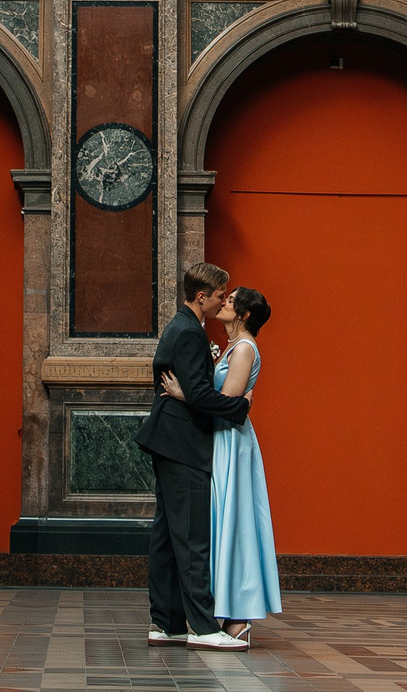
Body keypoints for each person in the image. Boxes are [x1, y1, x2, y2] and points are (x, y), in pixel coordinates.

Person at [138, 262, 255, 652]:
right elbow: (201, 395)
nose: (224, 300)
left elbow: (192, 387)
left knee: (168, 538)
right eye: (221, 295)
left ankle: (166, 623)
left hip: (170, 440)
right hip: (182, 441)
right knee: (190, 538)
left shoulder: (185, 328)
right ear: (202, 297)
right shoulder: (188, 333)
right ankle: (203, 628)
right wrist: (239, 408)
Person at [158, 285, 281, 640]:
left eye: (230, 301)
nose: (223, 302)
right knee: (222, 520)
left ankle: (240, 617)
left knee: (235, 519)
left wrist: (185, 394)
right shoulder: (232, 347)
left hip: (231, 441)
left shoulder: (243, 349)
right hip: (221, 439)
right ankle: (225, 609)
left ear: (242, 315)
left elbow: (224, 403)